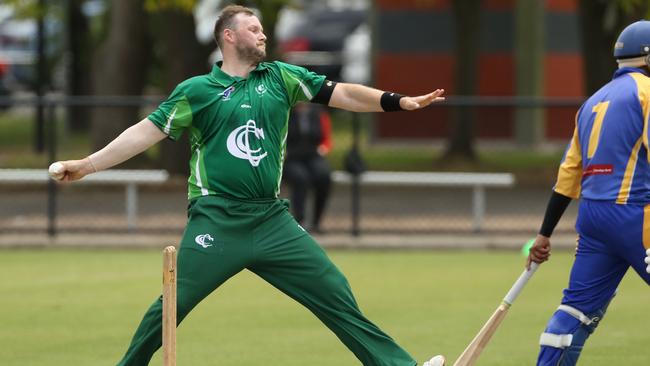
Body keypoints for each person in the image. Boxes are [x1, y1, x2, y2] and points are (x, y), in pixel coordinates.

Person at [50, 5, 446, 366]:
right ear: (229, 36)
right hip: (217, 220)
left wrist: (397, 101)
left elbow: (341, 93)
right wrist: (86, 164)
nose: (263, 35)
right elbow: (144, 132)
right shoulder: (196, 92)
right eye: (253, 29)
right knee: (171, 306)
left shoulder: (281, 77)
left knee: (334, 292)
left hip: (272, 220)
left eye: (262, 29)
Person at [527, 20, 650, 366]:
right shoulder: (647, 93)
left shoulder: (592, 103)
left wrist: (544, 234)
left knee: (576, 309)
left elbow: (569, 174)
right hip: (635, 213)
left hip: (593, 219)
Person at [284, 102, 333, 233]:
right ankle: (299, 221)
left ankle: (317, 221)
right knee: (300, 178)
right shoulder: (286, 112)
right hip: (291, 157)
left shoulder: (318, 113)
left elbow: (326, 139)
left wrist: (323, 149)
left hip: (313, 154)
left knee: (323, 176)